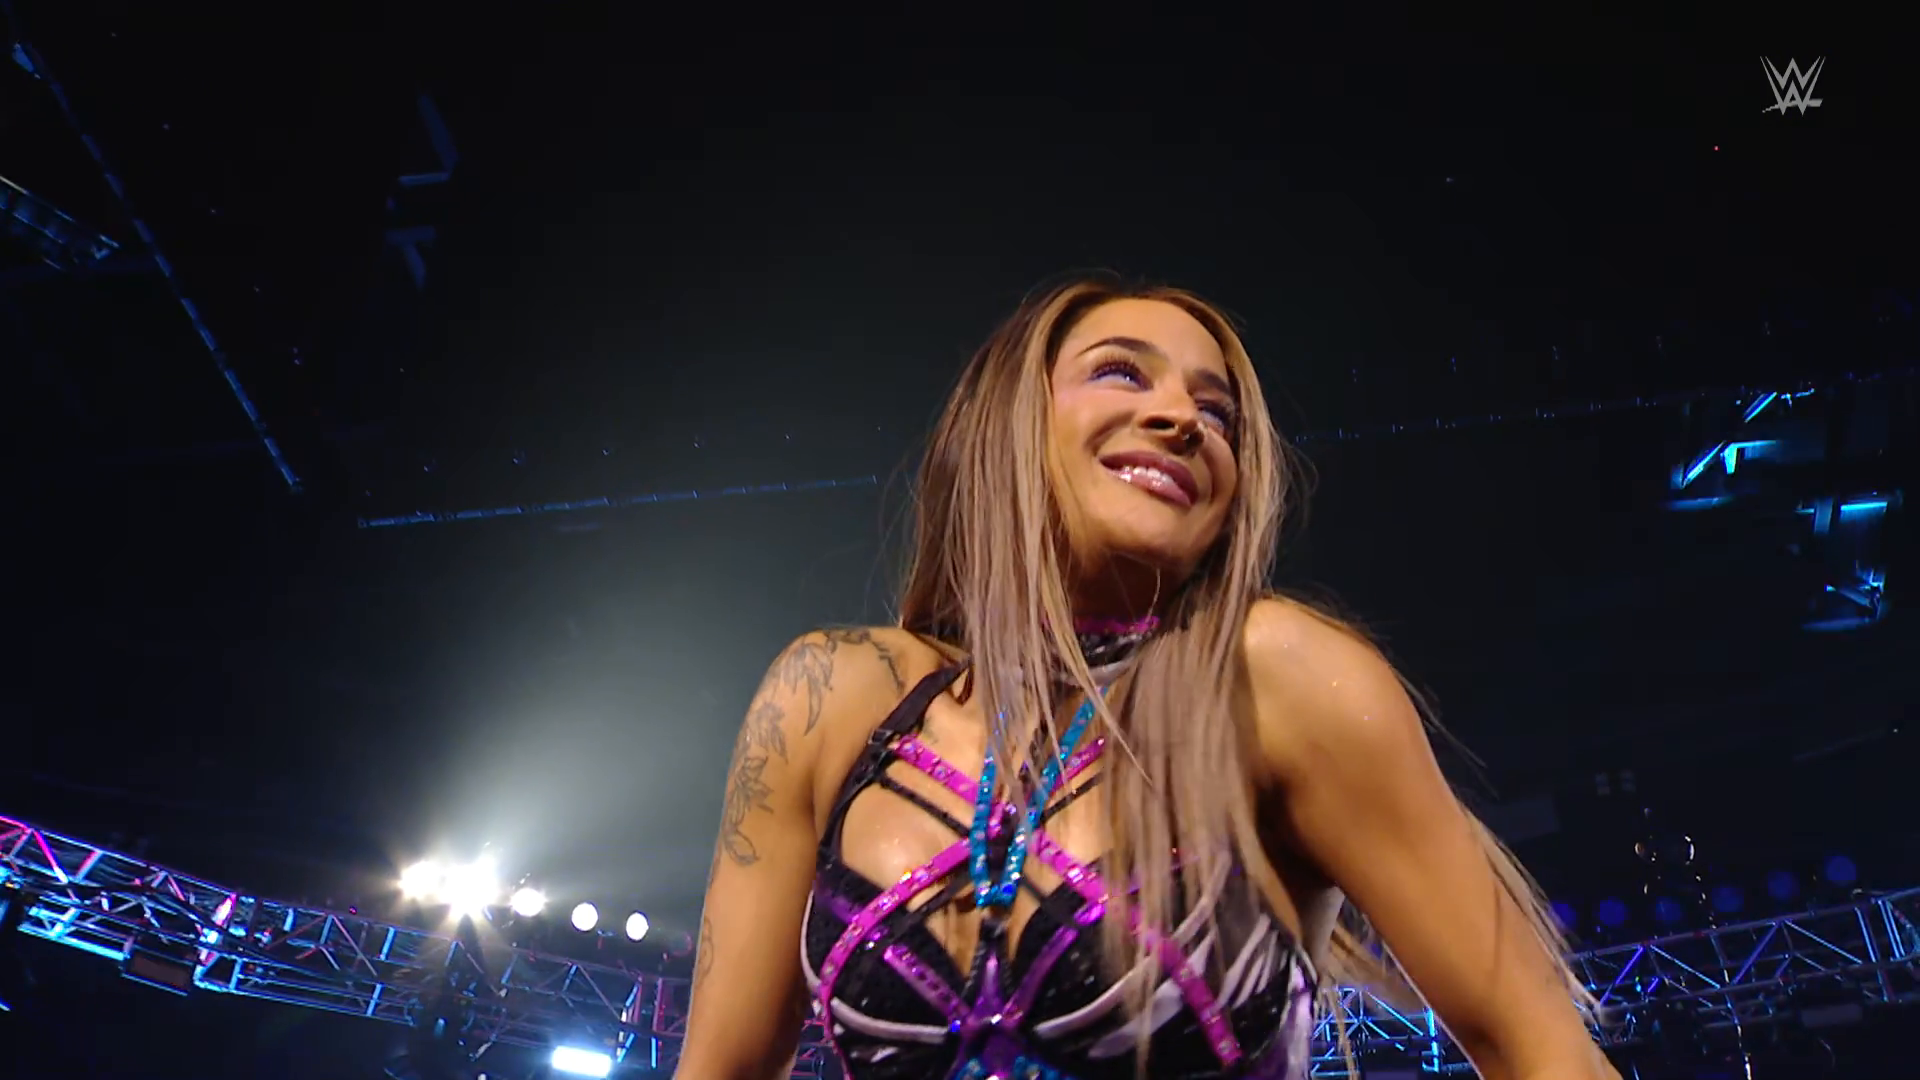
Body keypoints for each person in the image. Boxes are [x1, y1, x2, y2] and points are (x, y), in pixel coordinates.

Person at [676, 277, 1617, 1080]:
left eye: (1219, 415)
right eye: (1122, 373)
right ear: (1008, 420)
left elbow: (1548, 1056)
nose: (1181, 420)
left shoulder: (1273, 680)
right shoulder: (834, 696)